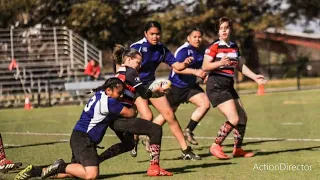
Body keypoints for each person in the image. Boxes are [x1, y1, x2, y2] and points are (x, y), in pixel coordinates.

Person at [15, 57, 172, 180]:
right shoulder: (110, 102)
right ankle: (59, 166)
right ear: (109, 91)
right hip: (83, 140)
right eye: (119, 93)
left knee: (77, 173)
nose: (121, 96)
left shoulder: (101, 94)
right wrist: (140, 102)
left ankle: (36, 171)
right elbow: (131, 114)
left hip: (79, 138)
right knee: (91, 175)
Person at [130, 20, 201, 160]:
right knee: (148, 116)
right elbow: (125, 68)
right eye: (152, 34)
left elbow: (177, 66)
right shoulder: (136, 47)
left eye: (158, 34)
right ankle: (134, 140)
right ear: (145, 34)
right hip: (136, 85)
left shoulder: (161, 49)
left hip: (151, 84)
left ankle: (186, 150)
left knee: (170, 114)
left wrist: (184, 63)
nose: (155, 37)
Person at [202, 17, 267, 159]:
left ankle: (237, 149)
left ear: (230, 29)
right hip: (216, 85)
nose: (224, 30)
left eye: (227, 27)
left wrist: (255, 77)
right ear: (217, 31)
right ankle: (215, 146)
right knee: (234, 118)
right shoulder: (215, 46)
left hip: (228, 85)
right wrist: (219, 63)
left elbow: (240, 65)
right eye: (221, 28)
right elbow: (205, 66)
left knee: (242, 117)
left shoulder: (234, 46)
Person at [152, 28, 210, 145]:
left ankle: (188, 130)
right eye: (195, 37)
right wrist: (195, 72)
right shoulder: (183, 50)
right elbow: (177, 69)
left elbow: (202, 68)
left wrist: (205, 75)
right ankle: (149, 136)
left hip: (190, 87)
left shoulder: (201, 50)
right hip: (176, 87)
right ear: (188, 38)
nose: (198, 39)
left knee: (205, 104)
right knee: (167, 114)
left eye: (199, 37)